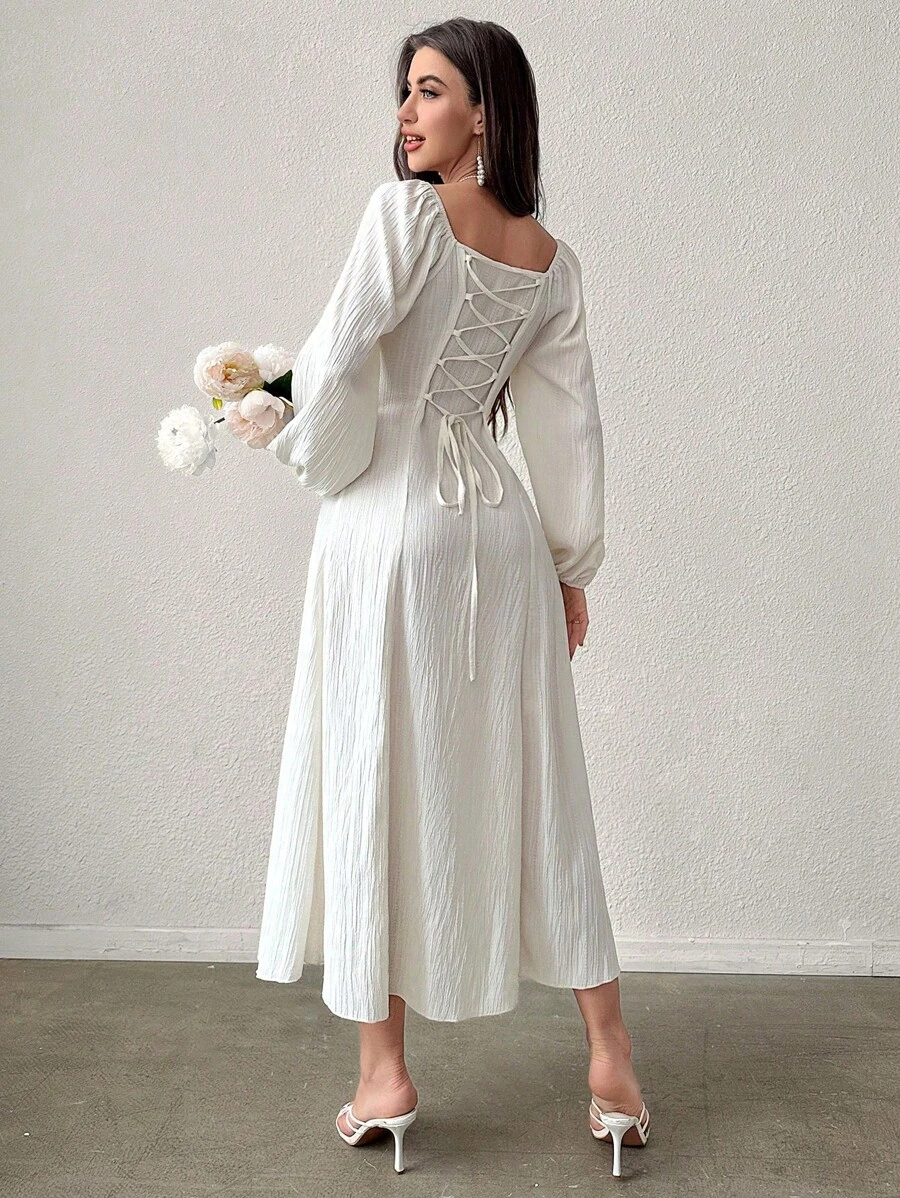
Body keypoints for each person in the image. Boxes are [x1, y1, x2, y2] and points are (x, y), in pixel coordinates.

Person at [255, 16, 650, 1178]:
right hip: (503, 537)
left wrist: (288, 430)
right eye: (405, 92)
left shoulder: (404, 215)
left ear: (485, 109)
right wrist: (570, 568)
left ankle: (383, 1076)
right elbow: (569, 427)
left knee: (375, 775)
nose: (407, 113)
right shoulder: (549, 260)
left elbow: (336, 361)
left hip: (389, 532)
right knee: (546, 788)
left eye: (430, 90)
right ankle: (613, 1061)